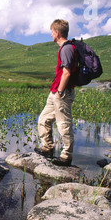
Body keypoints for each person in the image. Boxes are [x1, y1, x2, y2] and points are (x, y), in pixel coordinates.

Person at [35, 19, 76, 167]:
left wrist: (59, 92)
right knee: (43, 120)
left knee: (63, 125)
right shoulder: (65, 48)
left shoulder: (66, 48)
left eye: (52, 31)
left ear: (57, 33)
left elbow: (66, 73)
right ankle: (48, 148)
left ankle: (66, 156)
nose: (50, 34)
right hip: (55, 92)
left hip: (61, 93)